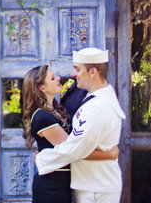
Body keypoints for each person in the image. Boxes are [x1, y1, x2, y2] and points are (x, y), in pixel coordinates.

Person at [35, 47, 126, 203]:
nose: (72, 74)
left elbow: (75, 147)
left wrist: (43, 158)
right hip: (90, 182)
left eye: (77, 69)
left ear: (93, 72)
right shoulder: (90, 96)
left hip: (96, 186)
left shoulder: (98, 107)